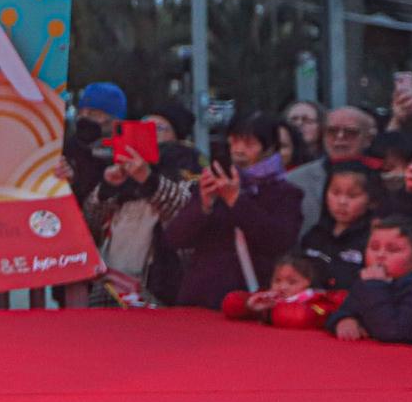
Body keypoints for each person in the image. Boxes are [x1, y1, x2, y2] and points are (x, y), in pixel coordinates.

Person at [163, 111, 303, 310]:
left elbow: (279, 240)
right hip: (203, 295)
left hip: (251, 295)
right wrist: (203, 204)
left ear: (269, 147)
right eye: (234, 142)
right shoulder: (213, 183)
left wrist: (236, 200)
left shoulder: (286, 193)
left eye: (249, 144)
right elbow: (174, 238)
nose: (239, 150)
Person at [80, 133, 191, 307]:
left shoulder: (182, 180)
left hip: (155, 297)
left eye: (159, 127)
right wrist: (106, 188)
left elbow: (181, 210)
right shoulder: (121, 189)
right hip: (108, 293)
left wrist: (148, 179)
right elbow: (89, 224)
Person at [327, 215, 412, 349]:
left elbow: (395, 332)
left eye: (393, 250)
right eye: (374, 247)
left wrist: (375, 286)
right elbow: (343, 309)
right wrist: (343, 319)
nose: (380, 255)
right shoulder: (371, 277)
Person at [289, 105, 376, 236]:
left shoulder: (381, 177)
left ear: (368, 139)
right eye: (332, 131)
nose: (340, 137)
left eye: (350, 132)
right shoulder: (293, 181)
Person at [296, 161, 377, 291]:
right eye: (335, 193)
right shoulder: (314, 235)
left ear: (371, 200)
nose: (342, 202)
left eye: (352, 195)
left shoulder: (373, 239)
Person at [221, 252, 344, 329]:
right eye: (277, 280)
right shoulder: (265, 297)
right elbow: (230, 302)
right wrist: (248, 305)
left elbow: (301, 316)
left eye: (292, 282)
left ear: (308, 282)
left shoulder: (318, 301)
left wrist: (268, 311)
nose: (282, 287)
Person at [58, 81, 128, 199]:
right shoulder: (67, 148)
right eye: (81, 112)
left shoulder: (126, 156)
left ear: (115, 120)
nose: (84, 118)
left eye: (94, 114)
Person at [285, 100, 327, 165]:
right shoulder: (279, 162)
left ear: (321, 126)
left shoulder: (329, 161)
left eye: (306, 120)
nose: (299, 124)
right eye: (293, 119)